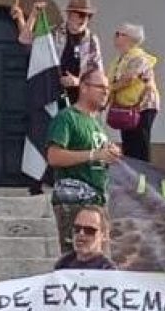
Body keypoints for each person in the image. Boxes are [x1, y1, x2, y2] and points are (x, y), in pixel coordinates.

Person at [46, 69, 121, 253]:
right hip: (74, 201)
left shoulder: (96, 123)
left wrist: (111, 156)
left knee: (97, 261)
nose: (106, 92)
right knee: (77, 258)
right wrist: (94, 155)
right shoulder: (67, 118)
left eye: (107, 88)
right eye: (100, 87)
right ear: (84, 88)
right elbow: (54, 156)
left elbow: (99, 157)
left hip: (98, 200)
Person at [13, 0, 103, 106]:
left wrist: (77, 81)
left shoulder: (92, 40)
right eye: (80, 15)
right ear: (69, 15)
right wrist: (33, 15)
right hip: (56, 95)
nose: (84, 19)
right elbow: (25, 39)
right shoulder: (55, 33)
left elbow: (98, 74)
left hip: (81, 98)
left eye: (88, 16)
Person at [108, 23, 160, 161]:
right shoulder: (120, 58)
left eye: (119, 34)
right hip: (126, 108)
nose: (115, 36)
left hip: (142, 107)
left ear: (130, 39)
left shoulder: (139, 58)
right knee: (129, 145)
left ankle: (144, 177)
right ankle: (132, 178)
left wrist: (108, 89)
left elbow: (128, 79)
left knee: (139, 146)